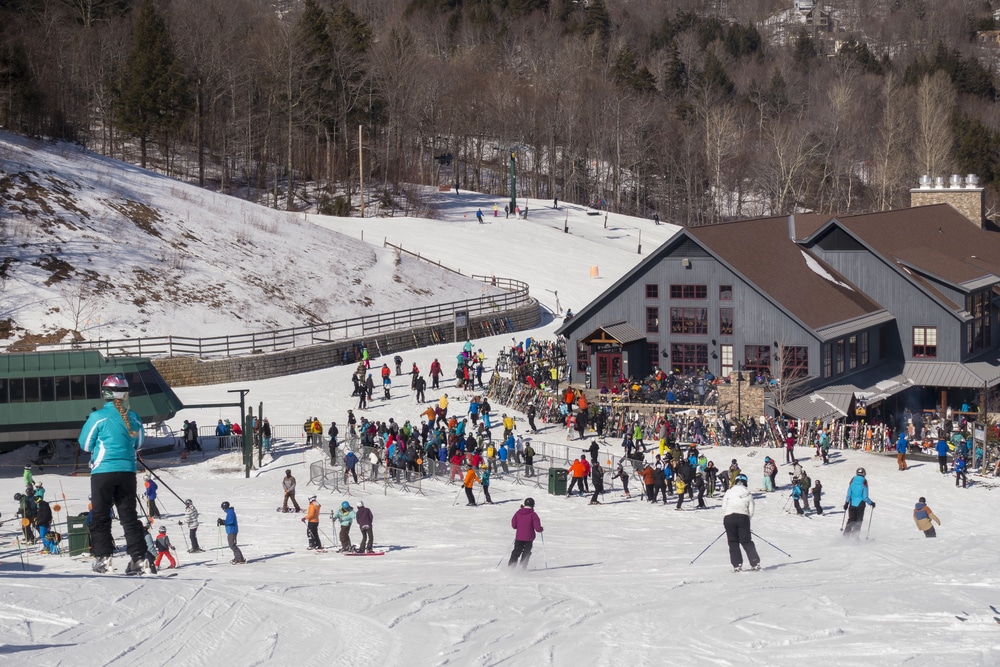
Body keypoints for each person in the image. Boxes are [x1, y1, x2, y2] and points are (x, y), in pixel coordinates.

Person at [78, 374, 149, 574]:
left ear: (106, 393)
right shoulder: (133, 417)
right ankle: (139, 558)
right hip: (127, 472)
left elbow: (84, 445)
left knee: (100, 516)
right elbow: (139, 443)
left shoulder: (97, 417)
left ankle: (103, 559)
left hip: (103, 472)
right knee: (128, 516)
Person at [721, 473, 761, 572]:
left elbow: (724, 507)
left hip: (729, 517)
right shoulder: (748, 494)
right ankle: (755, 562)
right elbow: (751, 510)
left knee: (733, 541)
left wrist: (728, 515)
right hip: (743, 517)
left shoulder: (729, 492)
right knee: (746, 541)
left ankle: (737, 565)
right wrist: (747, 522)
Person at [508, 497, 543, 568]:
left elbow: (514, 525)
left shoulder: (518, 513)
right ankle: (522, 565)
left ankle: (511, 565)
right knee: (526, 552)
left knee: (516, 551)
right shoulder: (533, 514)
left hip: (519, 537)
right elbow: (537, 528)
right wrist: (541, 529)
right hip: (529, 538)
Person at [843, 467, 875, 537]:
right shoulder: (864, 482)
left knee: (851, 520)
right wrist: (871, 503)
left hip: (852, 503)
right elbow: (865, 497)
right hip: (860, 504)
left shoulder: (852, 481)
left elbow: (849, 494)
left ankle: (846, 536)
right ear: (864, 474)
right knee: (858, 521)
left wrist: (846, 503)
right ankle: (855, 537)